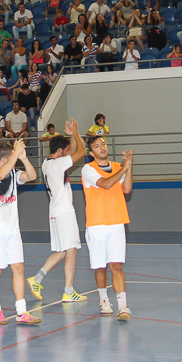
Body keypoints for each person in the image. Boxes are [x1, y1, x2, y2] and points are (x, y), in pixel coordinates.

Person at [26, 119, 88, 304]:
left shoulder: (47, 163)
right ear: (60, 151)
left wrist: (71, 136)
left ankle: (36, 279)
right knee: (72, 251)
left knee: (63, 251)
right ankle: (68, 291)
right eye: (65, 151)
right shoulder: (58, 164)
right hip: (64, 212)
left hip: (54, 211)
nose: (68, 153)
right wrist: (76, 132)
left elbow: (73, 151)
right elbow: (82, 152)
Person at [0, 140, 41, 325]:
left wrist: (24, 158)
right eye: (13, 158)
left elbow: (32, 176)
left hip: (12, 231)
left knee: (19, 268)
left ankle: (21, 312)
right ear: (5, 160)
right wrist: (15, 154)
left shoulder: (14, 174)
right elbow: (0, 175)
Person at [80, 135, 134, 319]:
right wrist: (124, 169)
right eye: (97, 145)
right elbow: (106, 184)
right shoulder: (88, 169)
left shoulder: (118, 166)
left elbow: (127, 189)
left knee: (117, 265)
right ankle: (104, 300)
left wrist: (129, 166)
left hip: (117, 221)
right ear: (91, 152)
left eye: (103, 144)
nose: (102, 147)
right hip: (97, 224)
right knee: (101, 267)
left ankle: (123, 306)